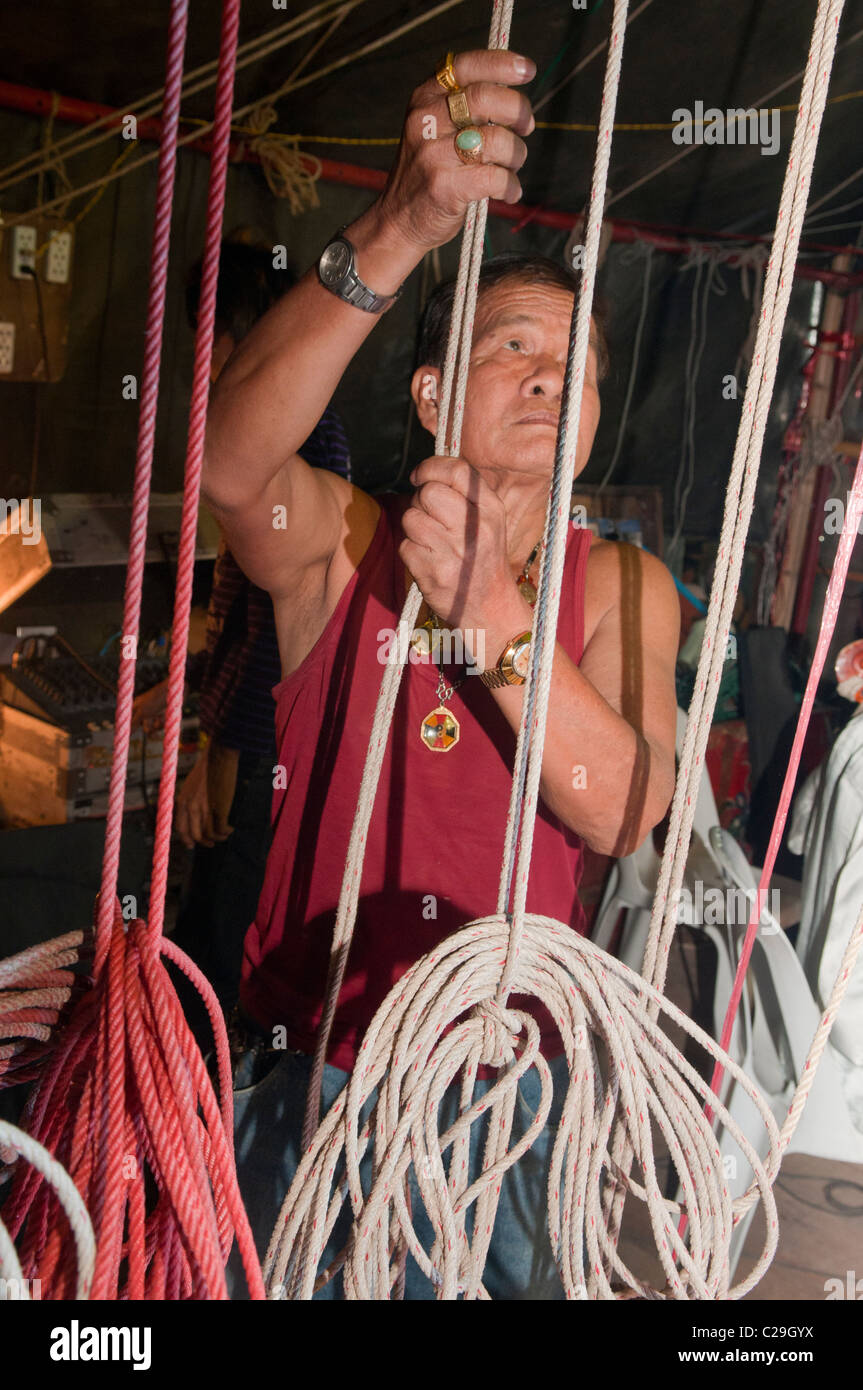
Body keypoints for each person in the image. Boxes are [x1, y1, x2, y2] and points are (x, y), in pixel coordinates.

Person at [203, 49, 679, 1298]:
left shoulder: (624, 591)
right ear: (428, 394)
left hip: (508, 1106)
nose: (546, 374)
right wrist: (402, 220)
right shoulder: (351, 548)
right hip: (322, 1079)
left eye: (571, 365)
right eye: (511, 344)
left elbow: (623, 808)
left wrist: (487, 612)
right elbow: (227, 470)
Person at [134, 238, 351, 1028]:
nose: (206, 355)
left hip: (259, 758)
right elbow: (241, 617)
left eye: (214, 334)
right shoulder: (273, 438)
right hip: (246, 743)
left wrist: (219, 761)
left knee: (215, 957)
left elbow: (277, 635)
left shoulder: (295, 440)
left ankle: (197, 1131)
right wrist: (186, 694)